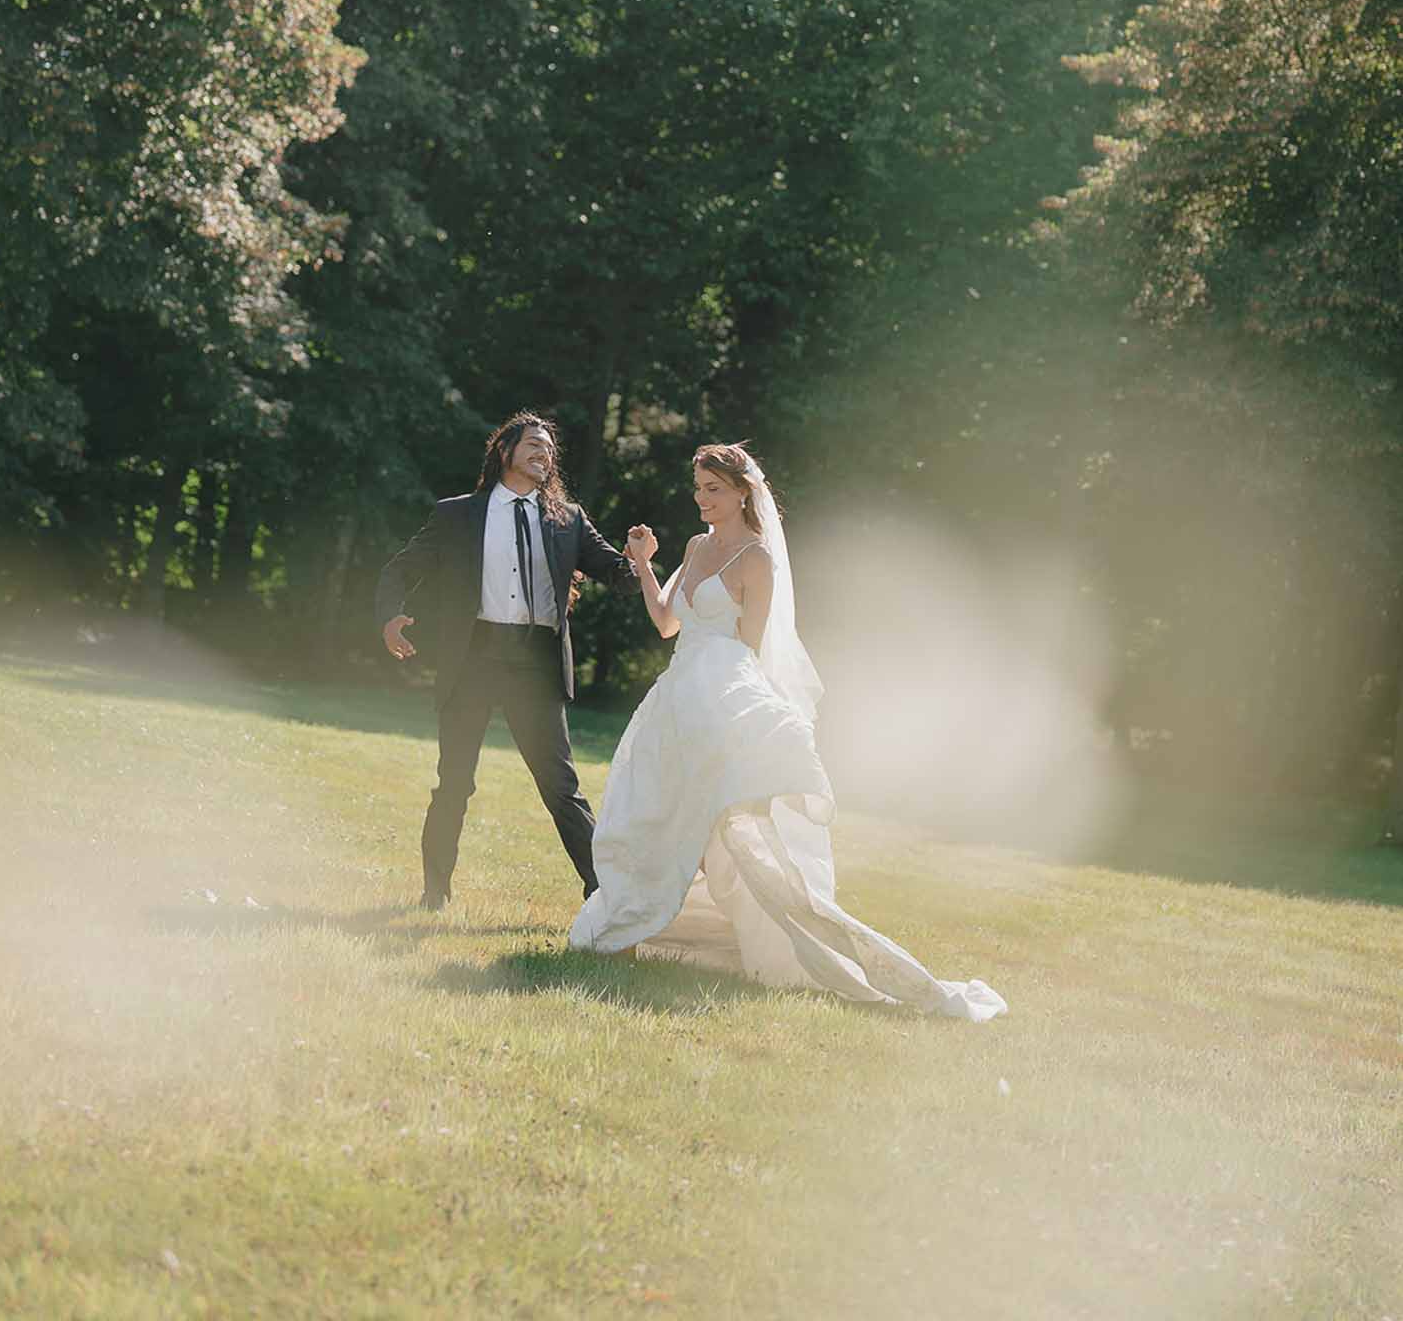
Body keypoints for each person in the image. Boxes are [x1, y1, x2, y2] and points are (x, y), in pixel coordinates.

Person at [569, 444, 1007, 1019]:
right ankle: (623, 927)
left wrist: (731, 706)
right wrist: (646, 563)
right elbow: (668, 622)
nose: (702, 500)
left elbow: (750, 643)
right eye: (699, 489)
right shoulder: (697, 546)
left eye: (714, 490)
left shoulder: (757, 560)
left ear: (743, 492)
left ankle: (799, 944)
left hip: (721, 692)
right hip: (676, 695)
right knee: (644, 810)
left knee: (737, 830)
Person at [376, 411, 637, 910]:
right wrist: (390, 617)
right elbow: (400, 568)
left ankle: (605, 892)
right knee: (454, 782)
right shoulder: (458, 515)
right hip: (471, 661)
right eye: (534, 446)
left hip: (535, 665)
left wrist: (640, 562)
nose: (545, 455)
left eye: (549, 450)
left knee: (562, 787)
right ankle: (435, 893)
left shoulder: (567, 520)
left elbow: (616, 573)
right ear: (505, 452)